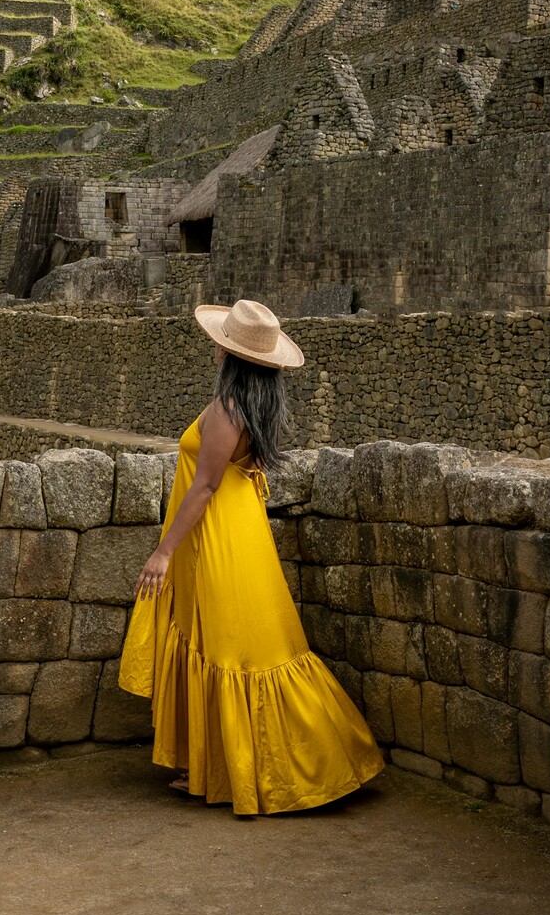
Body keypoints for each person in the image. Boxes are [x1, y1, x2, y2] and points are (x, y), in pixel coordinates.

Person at [118, 298, 383, 815]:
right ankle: (215, 763)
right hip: (243, 528)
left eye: (220, 340)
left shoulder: (226, 409)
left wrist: (163, 552)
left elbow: (205, 486)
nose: (214, 345)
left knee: (229, 643)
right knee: (241, 639)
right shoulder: (259, 405)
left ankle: (249, 769)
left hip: (216, 533)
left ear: (228, 351)